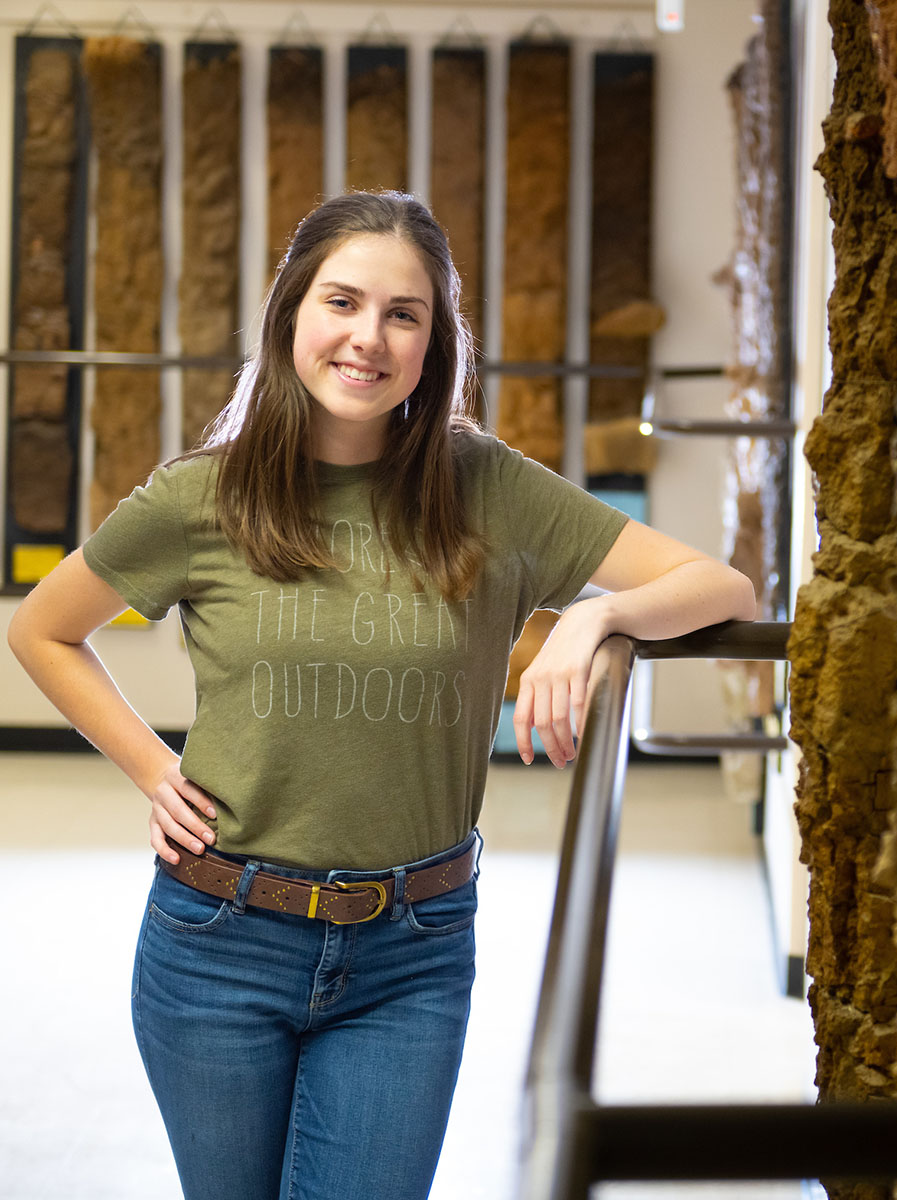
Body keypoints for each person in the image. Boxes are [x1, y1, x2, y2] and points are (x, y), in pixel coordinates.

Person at [8, 189, 756, 1200]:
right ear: (291, 317)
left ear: (433, 343)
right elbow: (43, 628)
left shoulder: (482, 484)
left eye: (404, 314)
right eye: (343, 302)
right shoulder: (203, 496)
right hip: (217, 943)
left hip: (414, 953)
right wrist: (154, 768)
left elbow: (721, 584)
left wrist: (590, 618)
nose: (369, 337)